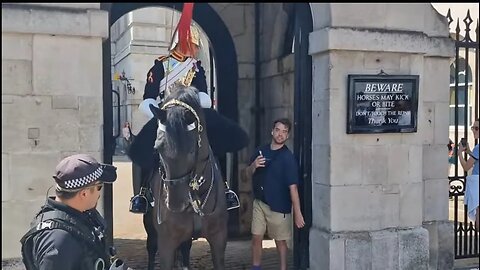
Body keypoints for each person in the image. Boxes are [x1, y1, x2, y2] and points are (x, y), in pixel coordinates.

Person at [20, 154, 128, 270]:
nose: (99, 194)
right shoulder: (59, 240)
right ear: (84, 194)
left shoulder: (78, 215)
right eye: (99, 187)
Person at [246, 118, 305, 270]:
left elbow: (293, 188)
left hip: (279, 207)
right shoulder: (261, 151)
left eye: (284, 132)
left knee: (280, 242)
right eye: (278, 130)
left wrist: (297, 213)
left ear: (287, 136)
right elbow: (245, 174)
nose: (280, 134)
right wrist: (253, 166)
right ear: (272, 131)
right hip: (260, 203)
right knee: (256, 237)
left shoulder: (288, 158)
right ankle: (256, 267)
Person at [457, 118, 479, 226]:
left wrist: (460, 153)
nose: (474, 131)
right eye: (473, 128)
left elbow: (466, 167)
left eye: (477, 128)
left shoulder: (478, 148)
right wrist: (469, 151)